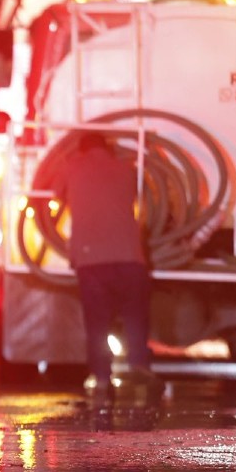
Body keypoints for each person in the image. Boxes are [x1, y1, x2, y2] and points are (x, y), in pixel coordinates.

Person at [52, 131, 153, 410]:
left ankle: (102, 377)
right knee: (135, 316)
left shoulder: (72, 165)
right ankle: (138, 366)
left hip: (91, 259)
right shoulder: (125, 167)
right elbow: (135, 198)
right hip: (130, 257)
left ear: (82, 149)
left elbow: (54, 196)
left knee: (97, 322)